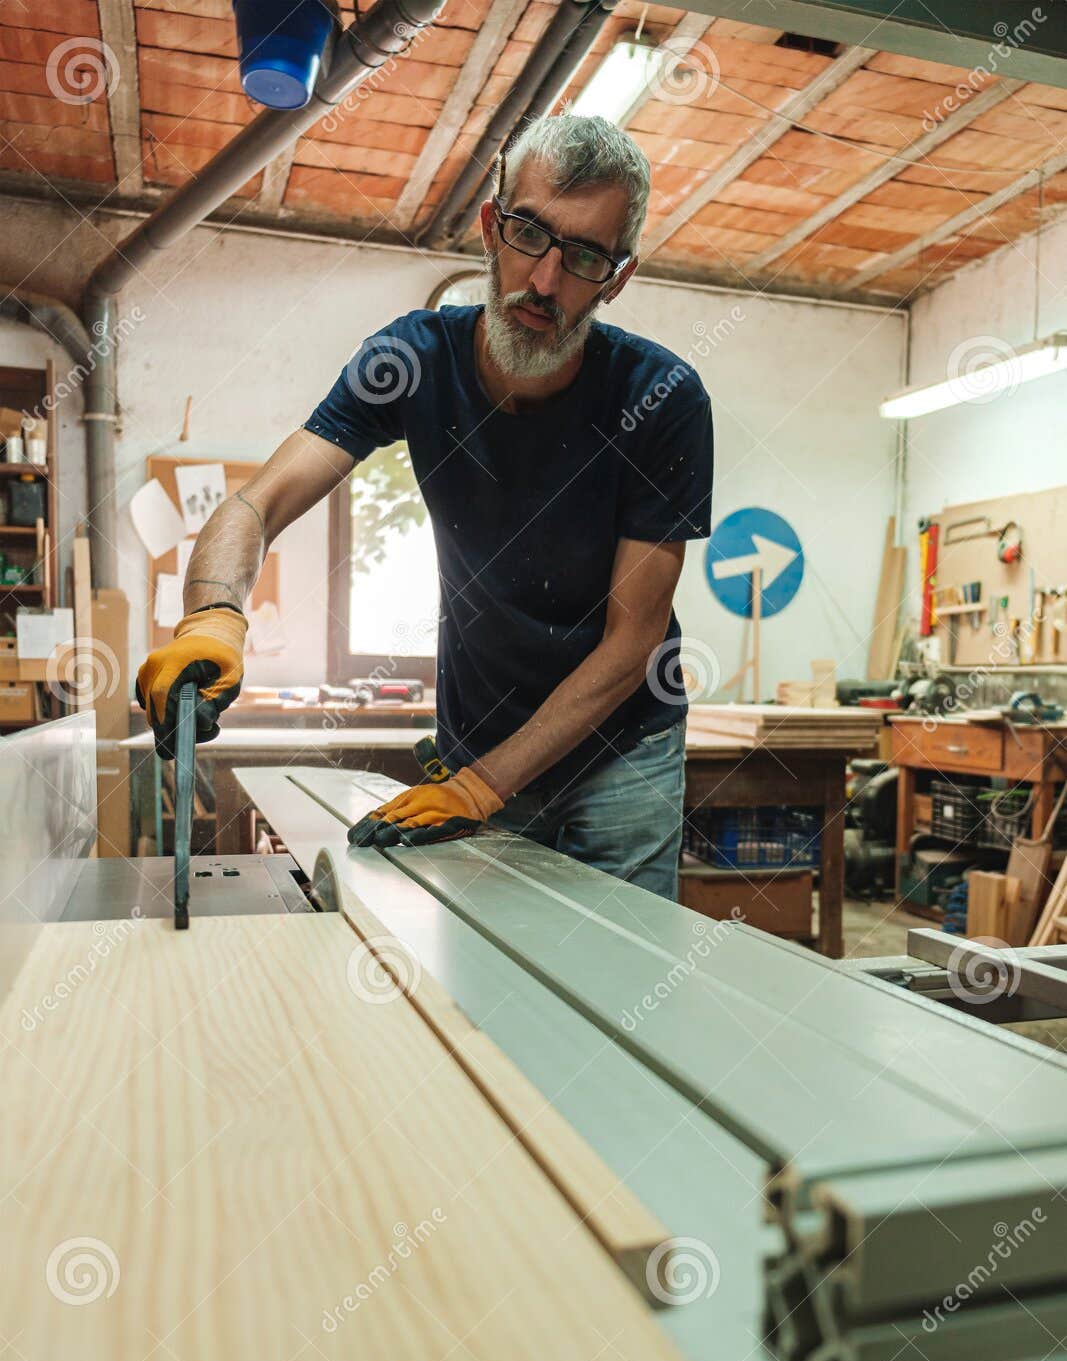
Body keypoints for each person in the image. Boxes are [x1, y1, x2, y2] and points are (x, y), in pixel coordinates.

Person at [136, 113, 714, 899]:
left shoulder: (661, 397)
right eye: (528, 234)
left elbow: (633, 640)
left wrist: (479, 789)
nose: (544, 281)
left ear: (617, 277)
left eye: (582, 257)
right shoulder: (408, 360)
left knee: (621, 972)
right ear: (488, 227)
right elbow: (256, 504)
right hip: (481, 729)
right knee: (488, 980)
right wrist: (211, 615)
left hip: (623, 746)